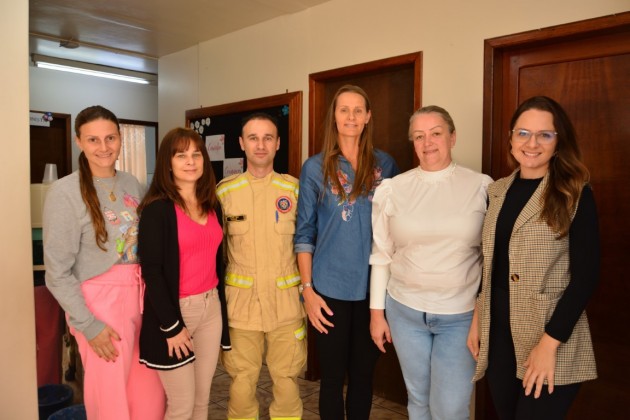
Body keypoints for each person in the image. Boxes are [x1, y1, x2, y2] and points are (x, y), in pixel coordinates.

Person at [467, 96, 599, 419]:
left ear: (559, 141)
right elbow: (491, 263)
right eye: (523, 133)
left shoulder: (575, 193)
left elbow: (586, 277)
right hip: (499, 333)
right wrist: (477, 318)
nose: (532, 143)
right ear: (511, 138)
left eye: (545, 134)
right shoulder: (497, 191)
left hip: (551, 335)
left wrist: (548, 345)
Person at [369, 105, 493, 419]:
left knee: (450, 408)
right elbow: (382, 254)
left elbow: (492, 259)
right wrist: (376, 314)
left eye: (436, 133)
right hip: (405, 312)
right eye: (419, 136)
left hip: (461, 316)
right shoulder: (393, 189)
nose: (428, 143)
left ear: (452, 137)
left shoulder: (481, 187)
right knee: (418, 400)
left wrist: (482, 314)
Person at [43, 105, 165, 420]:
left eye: (110, 138)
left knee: (150, 398)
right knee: (110, 403)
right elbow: (56, 274)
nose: (104, 147)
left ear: (120, 139)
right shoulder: (64, 192)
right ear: (78, 142)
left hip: (140, 299)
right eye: (93, 140)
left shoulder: (131, 182)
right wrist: (89, 324)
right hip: (99, 306)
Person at [295, 85, 399, 419]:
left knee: (363, 377)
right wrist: (308, 290)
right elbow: (304, 232)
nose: (351, 117)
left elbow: (395, 229)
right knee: (332, 378)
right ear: (334, 117)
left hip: (374, 290)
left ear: (368, 116)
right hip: (328, 290)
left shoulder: (385, 165)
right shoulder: (315, 168)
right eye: (344, 110)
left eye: (358, 110)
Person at [217, 112, 307, 420]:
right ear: (241, 143)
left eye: (268, 138)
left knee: (287, 381)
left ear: (278, 143)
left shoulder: (295, 190)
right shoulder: (223, 192)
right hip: (241, 307)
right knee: (242, 383)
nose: (260, 145)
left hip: (286, 305)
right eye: (253, 138)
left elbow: (309, 244)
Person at [137, 127, 230, 420]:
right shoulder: (157, 210)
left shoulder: (212, 203)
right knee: (182, 405)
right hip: (177, 313)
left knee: (203, 400)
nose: (190, 161)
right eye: (181, 155)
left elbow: (217, 262)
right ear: (168, 163)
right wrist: (172, 326)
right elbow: (151, 271)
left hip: (210, 307)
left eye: (196, 154)